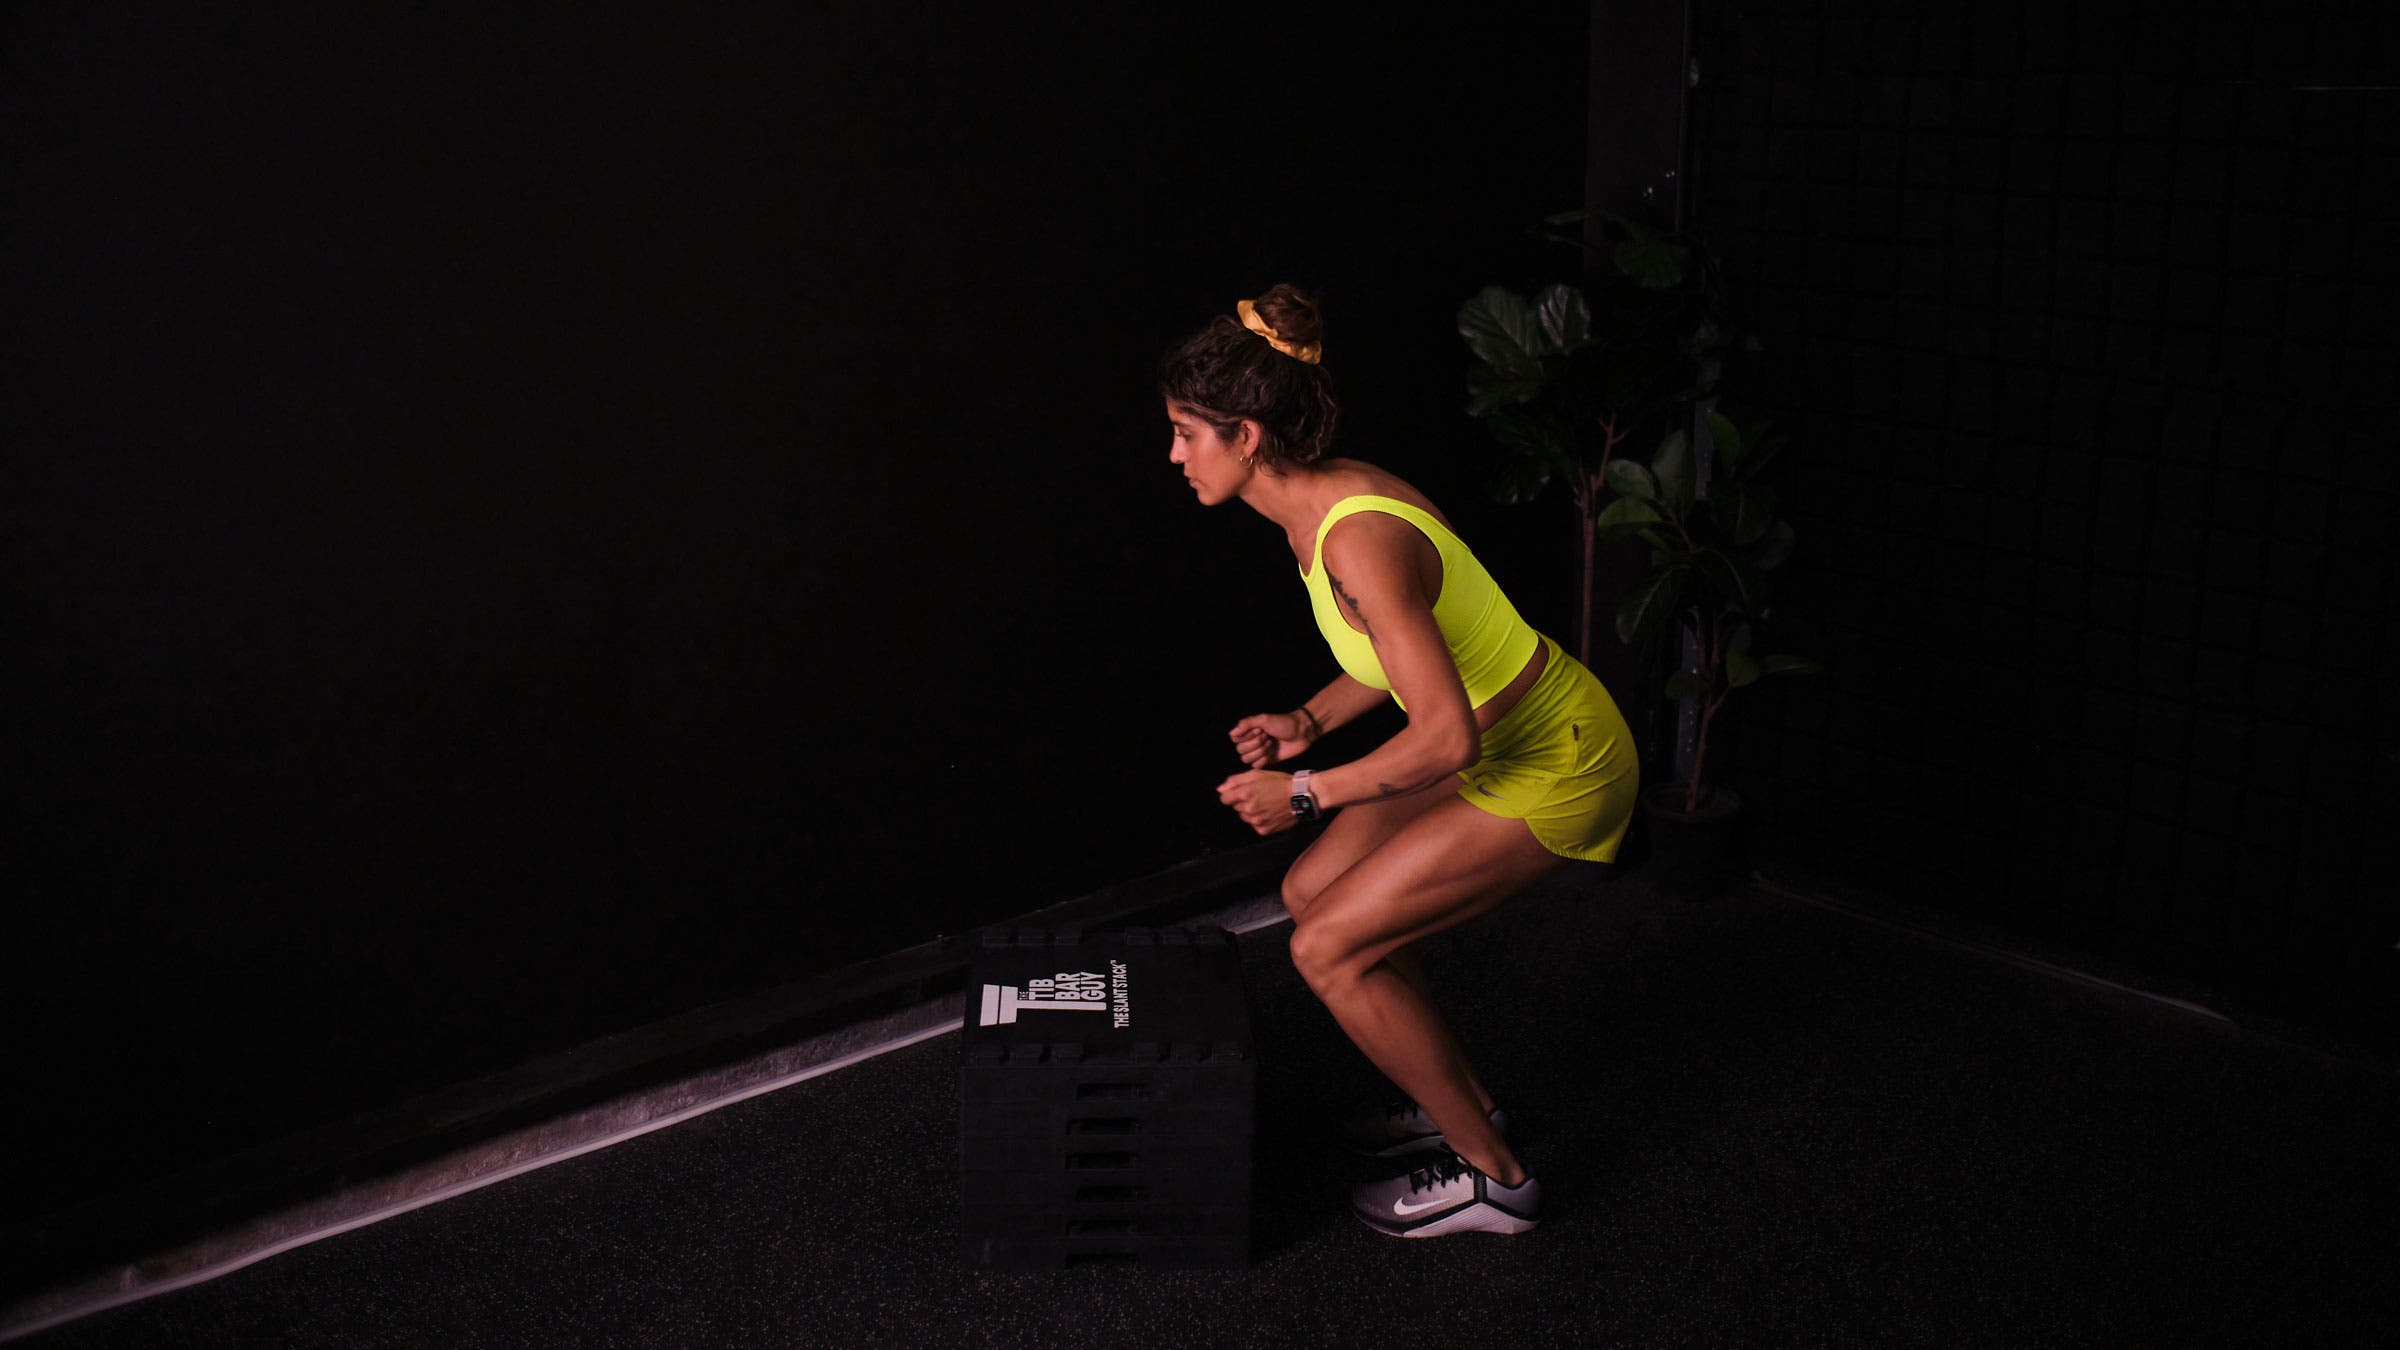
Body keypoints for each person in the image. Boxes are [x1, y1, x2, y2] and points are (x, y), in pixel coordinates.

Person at [1159, 284, 1639, 1239]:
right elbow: (1404, 657)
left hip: (1560, 758)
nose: (1174, 455)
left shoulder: (1359, 538)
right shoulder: (1320, 505)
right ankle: (1456, 1098)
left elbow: (1445, 737)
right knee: (1313, 893)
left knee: (1326, 948)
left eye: (1185, 433)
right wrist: (1308, 719)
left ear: (1245, 436)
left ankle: (1497, 1179)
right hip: (1493, 740)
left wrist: (1305, 790)